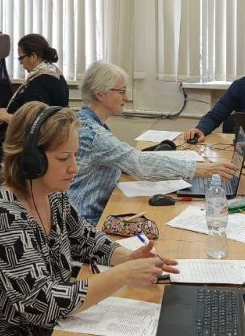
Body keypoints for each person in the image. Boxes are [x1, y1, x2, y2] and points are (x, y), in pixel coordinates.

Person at [0, 103, 178, 336]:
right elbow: (41, 304)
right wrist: (122, 275)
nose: (74, 168)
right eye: (64, 158)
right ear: (31, 160)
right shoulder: (3, 216)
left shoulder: (52, 195)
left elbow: (85, 238)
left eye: (75, 156)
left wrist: (127, 257)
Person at [68, 61, 236, 224]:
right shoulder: (94, 134)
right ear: (100, 94)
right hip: (87, 220)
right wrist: (200, 169)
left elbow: (124, 159)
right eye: (121, 91)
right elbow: (139, 163)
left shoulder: (88, 122)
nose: (126, 97)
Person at [0, 33, 69, 122]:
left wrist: (5, 116)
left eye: (21, 59)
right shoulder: (53, 71)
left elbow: (31, 123)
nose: (22, 64)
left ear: (33, 56)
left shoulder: (40, 82)